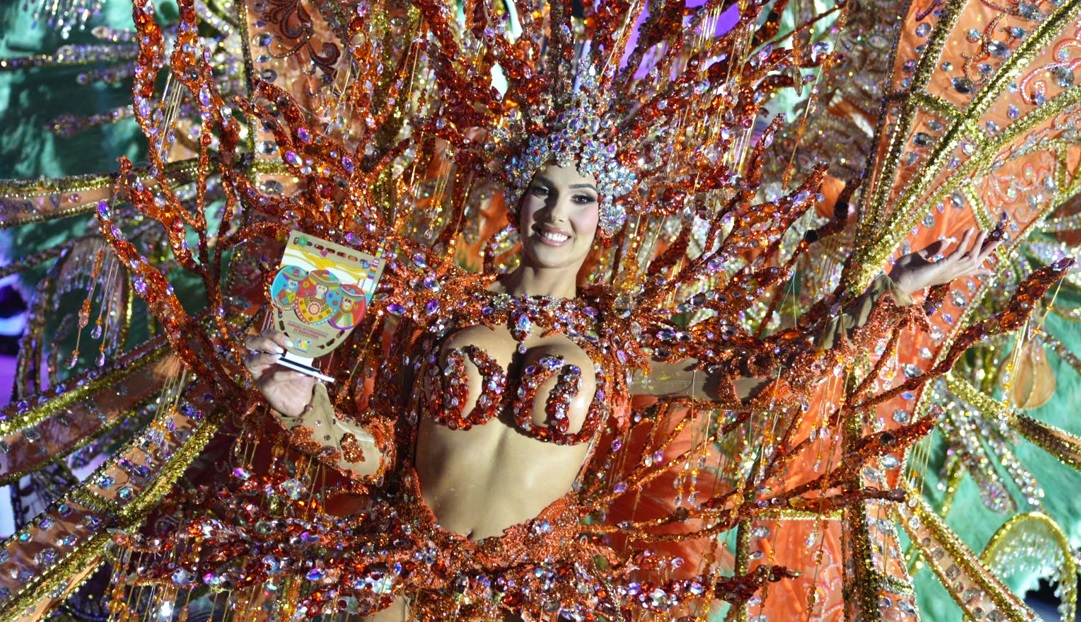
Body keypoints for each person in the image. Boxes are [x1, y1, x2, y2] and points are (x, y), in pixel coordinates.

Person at [242, 160, 1002, 619]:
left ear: (607, 213)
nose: (556, 215)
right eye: (542, 190)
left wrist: (892, 294)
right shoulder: (442, 313)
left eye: (581, 198)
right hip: (402, 569)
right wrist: (303, 408)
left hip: (532, 596)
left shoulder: (620, 345)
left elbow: (764, 379)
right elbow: (378, 464)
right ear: (517, 196)